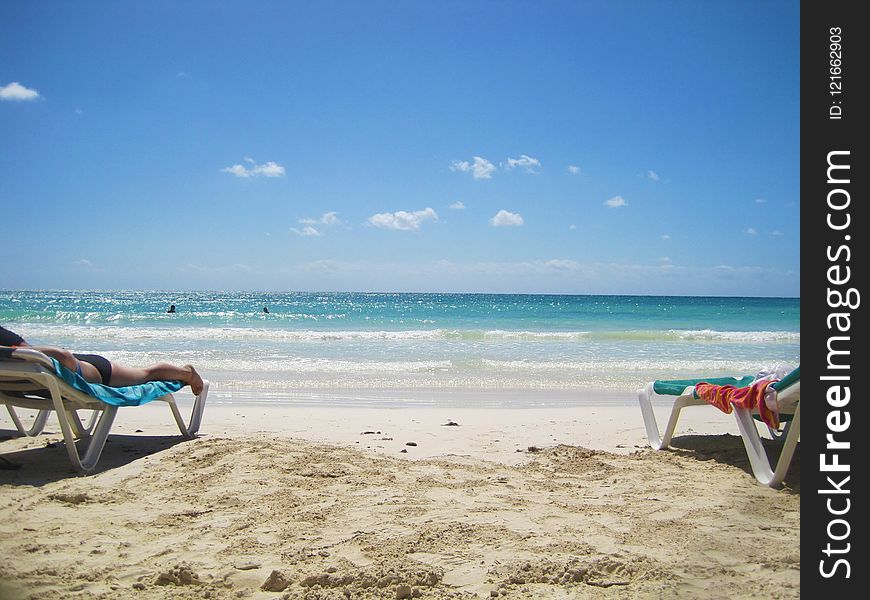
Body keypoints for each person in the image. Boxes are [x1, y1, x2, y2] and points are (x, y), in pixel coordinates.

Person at [0, 325, 204, 396]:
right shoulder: (19, 353)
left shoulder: (22, 355)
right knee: (145, 374)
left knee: (147, 374)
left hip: (90, 372)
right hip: (54, 375)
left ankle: (187, 374)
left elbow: (63, 357)